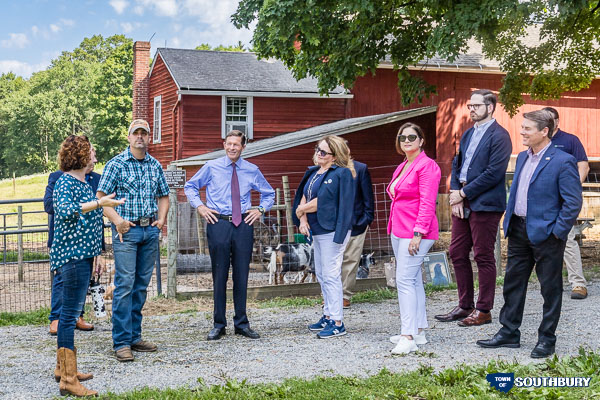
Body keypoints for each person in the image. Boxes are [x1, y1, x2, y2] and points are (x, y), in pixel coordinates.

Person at [476, 109, 582, 358]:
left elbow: (572, 202)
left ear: (544, 131)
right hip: (518, 230)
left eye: (527, 128)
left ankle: (547, 338)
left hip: (547, 234)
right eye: (522, 127)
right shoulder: (523, 157)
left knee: (550, 289)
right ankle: (509, 332)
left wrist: (557, 232)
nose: (521, 131)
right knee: (513, 284)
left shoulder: (562, 160)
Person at [51, 135, 124, 396]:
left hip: (84, 256)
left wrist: (97, 256)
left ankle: (63, 368)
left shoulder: (83, 184)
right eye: (91, 152)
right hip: (70, 258)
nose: (95, 156)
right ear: (81, 156)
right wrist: (99, 203)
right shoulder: (65, 183)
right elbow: (66, 211)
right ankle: (69, 381)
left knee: (69, 315)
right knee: (68, 317)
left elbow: (92, 223)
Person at [184, 130, 275, 341]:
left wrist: (260, 209)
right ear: (224, 144)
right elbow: (191, 187)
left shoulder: (252, 170)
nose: (232, 147)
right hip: (219, 224)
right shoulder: (212, 167)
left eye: (236, 144)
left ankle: (242, 323)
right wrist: (200, 207)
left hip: (243, 224)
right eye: (229, 143)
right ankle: (219, 324)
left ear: (243, 147)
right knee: (220, 274)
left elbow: (268, 193)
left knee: (241, 274)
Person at [435, 89, 512, 327]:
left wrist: (464, 193)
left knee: (483, 255)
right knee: (457, 252)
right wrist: (456, 194)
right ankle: (464, 304)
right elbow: (457, 164)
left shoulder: (500, 136)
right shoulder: (468, 134)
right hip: (463, 198)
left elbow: (494, 174)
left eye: (476, 106)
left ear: (490, 107)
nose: (471, 109)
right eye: (470, 106)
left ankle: (484, 309)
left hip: (486, 203)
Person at [97, 119, 170, 362]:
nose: (140, 137)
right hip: (126, 233)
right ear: (128, 137)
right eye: (135, 133)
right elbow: (101, 198)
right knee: (124, 285)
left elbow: (164, 196)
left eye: (144, 133)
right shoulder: (116, 164)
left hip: (149, 231)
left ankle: (134, 336)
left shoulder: (155, 165)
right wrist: (118, 220)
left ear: (149, 138)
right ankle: (120, 342)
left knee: (140, 287)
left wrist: (161, 220)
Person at [386, 123, 441, 354]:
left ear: (421, 140)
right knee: (413, 279)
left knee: (404, 280)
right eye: (402, 137)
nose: (406, 141)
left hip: (416, 231)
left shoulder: (428, 166)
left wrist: (418, 233)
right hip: (399, 228)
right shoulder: (403, 166)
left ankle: (407, 335)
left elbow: (428, 202)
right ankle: (418, 331)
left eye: (411, 137)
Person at [293, 135, 355, 339]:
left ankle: (337, 321)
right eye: (317, 149)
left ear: (334, 155)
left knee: (331, 274)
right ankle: (328, 314)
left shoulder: (341, 173)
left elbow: (325, 201)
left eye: (323, 152)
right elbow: (304, 193)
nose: (318, 154)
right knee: (321, 273)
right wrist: (302, 219)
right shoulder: (313, 172)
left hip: (332, 230)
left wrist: (301, 209)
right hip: (316, 229)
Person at [44, 147, 101, 336]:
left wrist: (99, 248)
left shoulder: (93, 180)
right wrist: (89, 205)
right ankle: (56, 318)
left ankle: (78, 315)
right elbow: (53, 206)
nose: (93, 157)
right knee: (62, 281)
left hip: (87, 244)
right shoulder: (59, 179)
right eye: (90, 153)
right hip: (66, 242)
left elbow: (97, 216)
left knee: (82, 284)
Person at [543, 106, 590, 300]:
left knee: (567, 239)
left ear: (557, 121)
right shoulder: (538, 141)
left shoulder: (570, 140)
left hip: (563, 201)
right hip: (543, 201)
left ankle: (578, 284)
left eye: (550, 119)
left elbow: (583, 166)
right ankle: (550, 284)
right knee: (543, 241)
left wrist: (570, 189)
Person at [340, 160, 374, 308]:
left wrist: (365, 220)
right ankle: (330, 295)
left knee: (350, 261)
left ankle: (344, 295)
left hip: (356, 223)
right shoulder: (325, 168)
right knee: (331, 262)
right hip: (330, 224)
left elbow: (368, 197)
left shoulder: (360, 168)